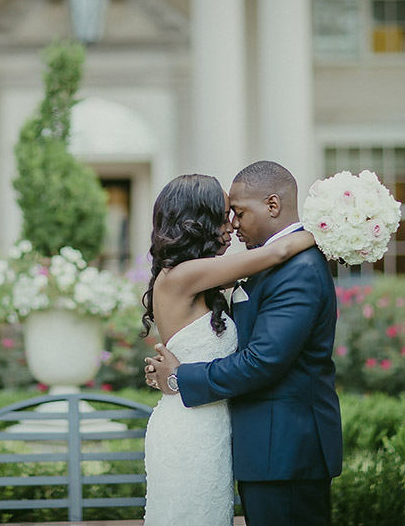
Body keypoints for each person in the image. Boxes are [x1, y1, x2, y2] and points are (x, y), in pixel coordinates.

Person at [145, 161, 343, 526]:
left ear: (271, 205)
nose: (232, 226)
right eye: (225, 216)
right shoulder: (190, 275)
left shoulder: (291, 269)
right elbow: (276, 253)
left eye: (235, 213)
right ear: (197, 222)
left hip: (275, 447)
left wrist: (180, 377)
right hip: (202, 433)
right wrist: (323, 232)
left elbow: (263, 360)